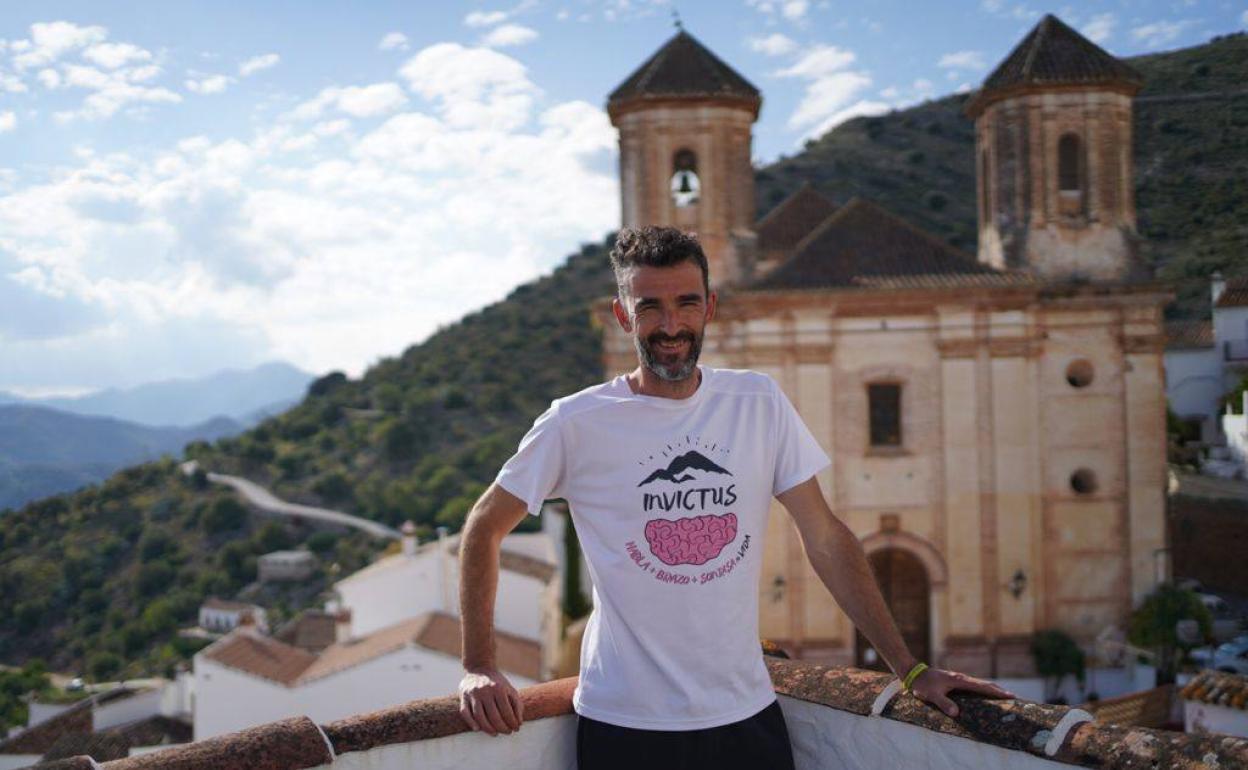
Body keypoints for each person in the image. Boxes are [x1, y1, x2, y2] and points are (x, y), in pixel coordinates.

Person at [457, 226, 1012, 768]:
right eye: (649, 307)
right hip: (624, 724)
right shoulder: (576, 422)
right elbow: (485, 526)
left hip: (746, 717)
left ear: (710, 307)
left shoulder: (758, 402)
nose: (670, 325)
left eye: (686, 303)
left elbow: (824, 537)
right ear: (623, 314)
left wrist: (909, 669)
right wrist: (479, 665)